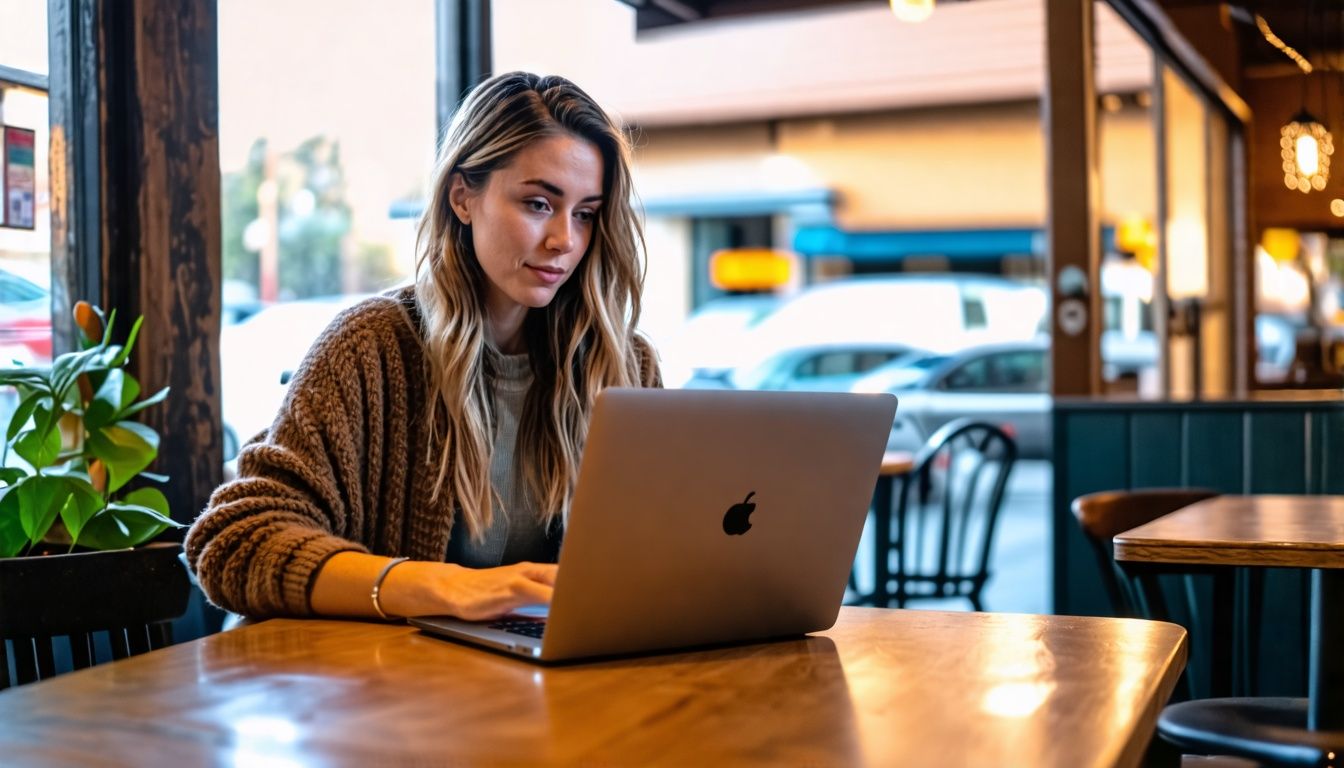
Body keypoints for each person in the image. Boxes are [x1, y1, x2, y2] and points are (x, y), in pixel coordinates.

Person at [185, 72, 661, 622]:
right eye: (537, 204)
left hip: (531, 682)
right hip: (374, 689)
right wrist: (434, 587)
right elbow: (234, 541)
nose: (565, 240)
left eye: (585, 213)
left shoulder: (622, 365)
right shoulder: (371, 348)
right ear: (463, 197)